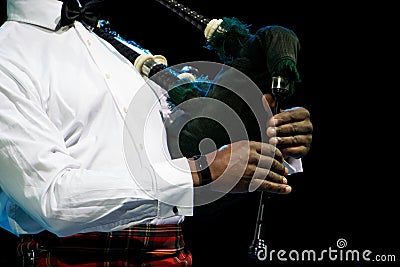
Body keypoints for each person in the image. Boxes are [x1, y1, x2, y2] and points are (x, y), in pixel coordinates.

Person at [0, 0, 302, 266]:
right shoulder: (8, 54)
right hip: (77, 256)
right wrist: (201, 171)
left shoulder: (112, 46)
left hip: (171, 251)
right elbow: (53, 200)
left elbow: (179, 164)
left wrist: (266, 124)